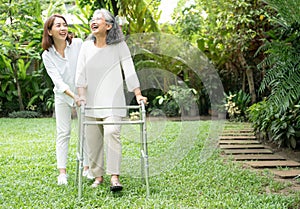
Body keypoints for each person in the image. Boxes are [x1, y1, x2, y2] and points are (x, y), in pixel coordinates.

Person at [75, 8, 147, 192]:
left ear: (108, 25)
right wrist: (81, 96)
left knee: (111, 132)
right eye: (92, 19)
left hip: (113, 102)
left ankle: (114, 176)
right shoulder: (86, 46)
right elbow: (80, 74)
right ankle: (98, 176)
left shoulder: (119, 45)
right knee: (93, 140)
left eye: (97, 19)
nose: (93, 21)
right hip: (90, 102)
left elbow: (129, 70)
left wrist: (138, 94)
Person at [41, 14, 91, 185]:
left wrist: (82, 94)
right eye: (58, 26)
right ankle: (62, 173)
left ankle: (86, 167)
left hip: (82, 93)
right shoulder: (47, 55)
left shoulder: (77, 44)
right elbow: (58, 82)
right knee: (63, 133)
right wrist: (74, 96)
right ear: (49, 31)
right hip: (63, 95)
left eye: (64, 25)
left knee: (84, 130)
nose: (63, 28)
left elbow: (88, 63)